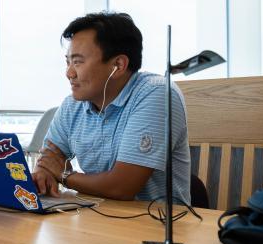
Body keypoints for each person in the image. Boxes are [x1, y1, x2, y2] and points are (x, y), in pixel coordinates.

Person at [32, 12, 191, 203]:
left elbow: (121, 188)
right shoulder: (72, 105)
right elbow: (50, 157)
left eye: (77, 62)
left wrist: (65, 176)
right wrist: (43, 173)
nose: (69, 73)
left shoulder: (156, 93)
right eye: (67, 62)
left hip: (155, 225)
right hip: (97, 218)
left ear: (118, 65)